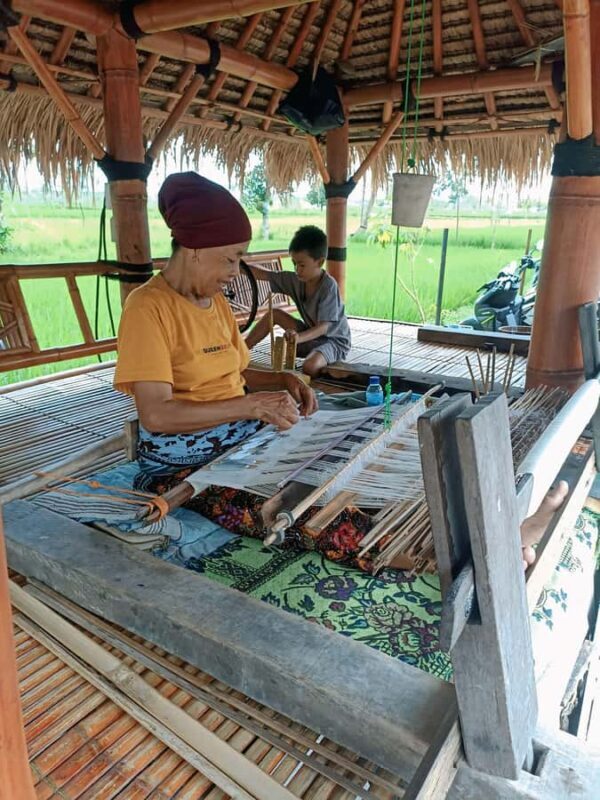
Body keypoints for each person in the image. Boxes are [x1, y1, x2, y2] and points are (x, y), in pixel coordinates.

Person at [114, 172, 317, 481]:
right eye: (230, 259)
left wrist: (281, 379)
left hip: (237, 439)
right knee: (302, 507)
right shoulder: (147, 308)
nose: (235, 272)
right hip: (184, 457)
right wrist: (251, 405)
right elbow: (156, 414)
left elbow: (232, 373)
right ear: (195, 248)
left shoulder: (214, 300)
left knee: (323, 468)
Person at [244, 225, 351, 377]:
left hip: (333, 342)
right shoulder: (295, 280)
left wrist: (299, 337)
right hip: (309, 336)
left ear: (319, 262)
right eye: (294, 264)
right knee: (275, 314)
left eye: (302, 265)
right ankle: (241, 350)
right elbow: (265, 275)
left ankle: (328, 364)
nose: (297, 270)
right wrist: (238, 266)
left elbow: (324, 328)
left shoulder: (328, 286)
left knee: (310, 367)